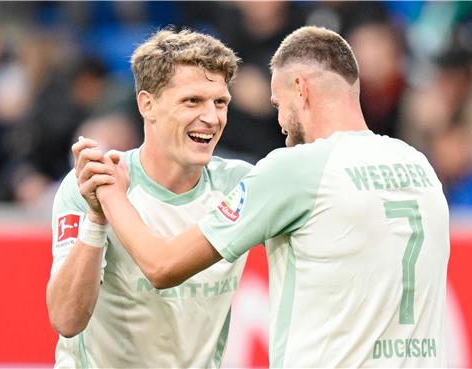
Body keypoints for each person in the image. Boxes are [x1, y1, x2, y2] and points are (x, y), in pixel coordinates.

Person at [77, 26, 450, 367]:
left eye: (277, 104)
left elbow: (161, 266)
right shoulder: (418, 166)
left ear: (301, 89)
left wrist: (109, 194)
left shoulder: (297, 169)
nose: (281, 122)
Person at [46, 29, 253, 368]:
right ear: (147, 104)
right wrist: (98, 219)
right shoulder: (94, 181)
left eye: (220, 102)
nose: (212, 118)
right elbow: (66, 320)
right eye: (192, 101)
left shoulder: (240, 185)